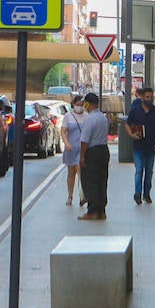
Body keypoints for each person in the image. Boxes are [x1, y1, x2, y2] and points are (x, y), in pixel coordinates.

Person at [125, 86, 155, 205]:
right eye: (147, 97)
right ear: (142, 97)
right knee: (139, 170)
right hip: (138, 145)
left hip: (151, 146)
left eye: (151, 97)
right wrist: (131, 135)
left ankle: (146, 193)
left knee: (149, 171)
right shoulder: (135, 110)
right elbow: (127, 124)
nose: (149, 99)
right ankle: (137, 193)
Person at [77, 92, 111, 221]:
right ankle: (101, 211)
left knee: (90, 181)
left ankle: (92, 211)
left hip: (93, 152)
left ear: (88, 104)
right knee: (102, 181)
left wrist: (82, 157)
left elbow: (85, 140)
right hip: (103, 150)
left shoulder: (90, 119)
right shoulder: (103, 117)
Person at [61, 97, 88, 206]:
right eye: (78, 104)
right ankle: (70, 196)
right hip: (71, 148)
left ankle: (82, 196)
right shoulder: (68, 116)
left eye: (82, 104)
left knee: (80, 172)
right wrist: (66, 143)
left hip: (83, 149)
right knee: (71, 173)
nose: (79, 106)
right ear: (73, 104)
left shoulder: (86, 116)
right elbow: (63, 131)